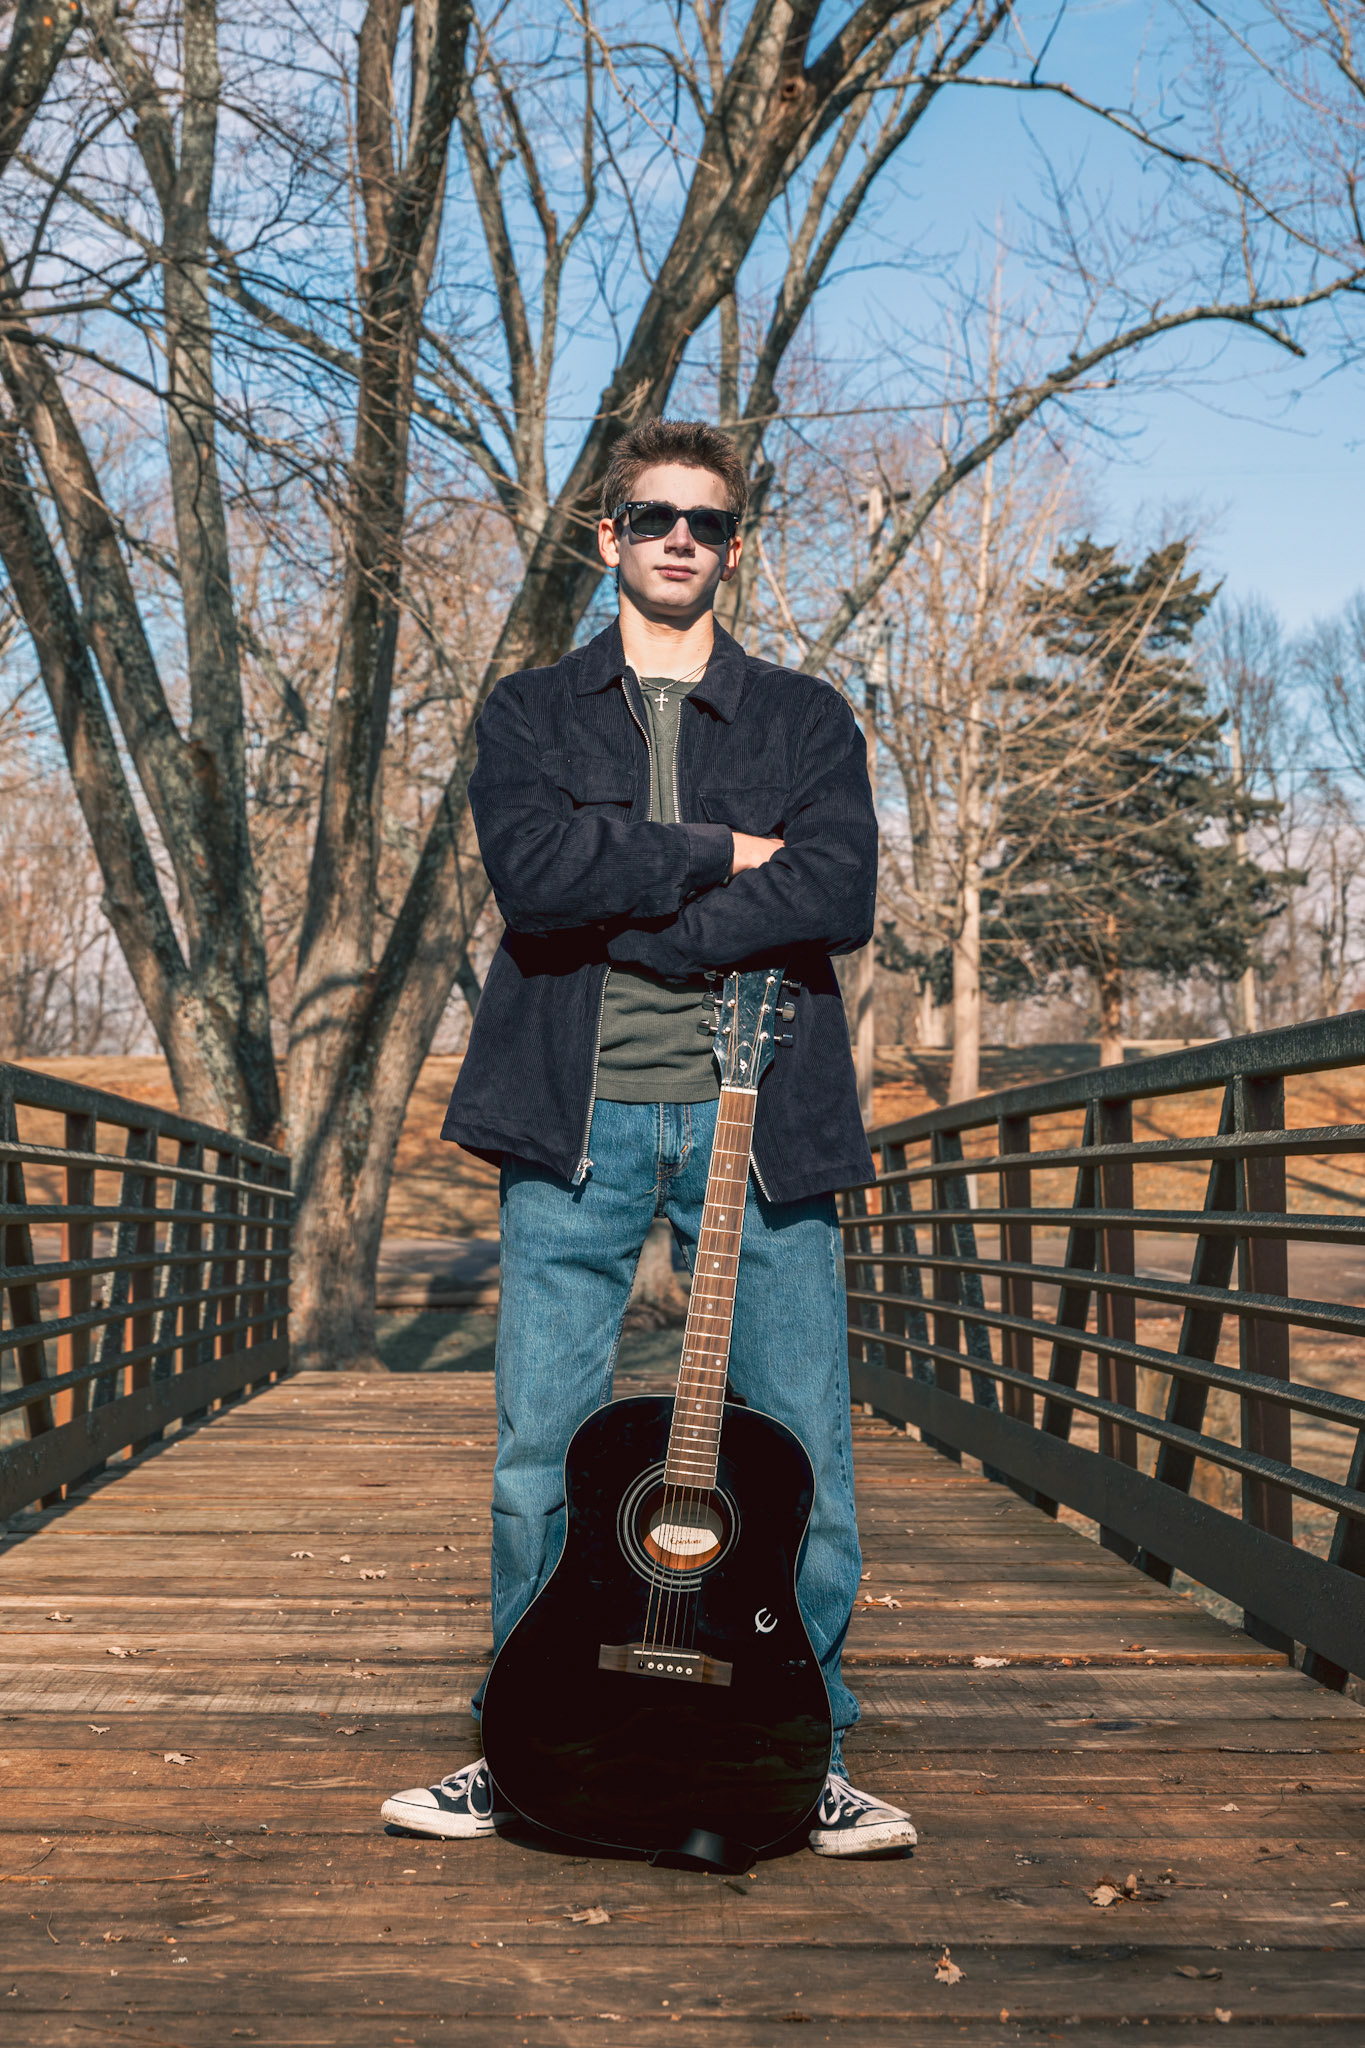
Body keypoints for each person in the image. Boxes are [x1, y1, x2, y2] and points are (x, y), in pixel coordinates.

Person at [381, 418, 916, 1857]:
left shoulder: (804, 716)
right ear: (608, 536)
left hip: (765, 1116)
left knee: (801, 1442)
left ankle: (803, 1747)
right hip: (577, 1122)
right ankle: (524, 1740)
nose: (682, 538)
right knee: (541, 1448)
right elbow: (535, 875)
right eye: (655, 516)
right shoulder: (532, 712)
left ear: (734, 547)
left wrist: (652, 923)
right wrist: (721, 855)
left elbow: (838, 890)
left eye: (708, 521)